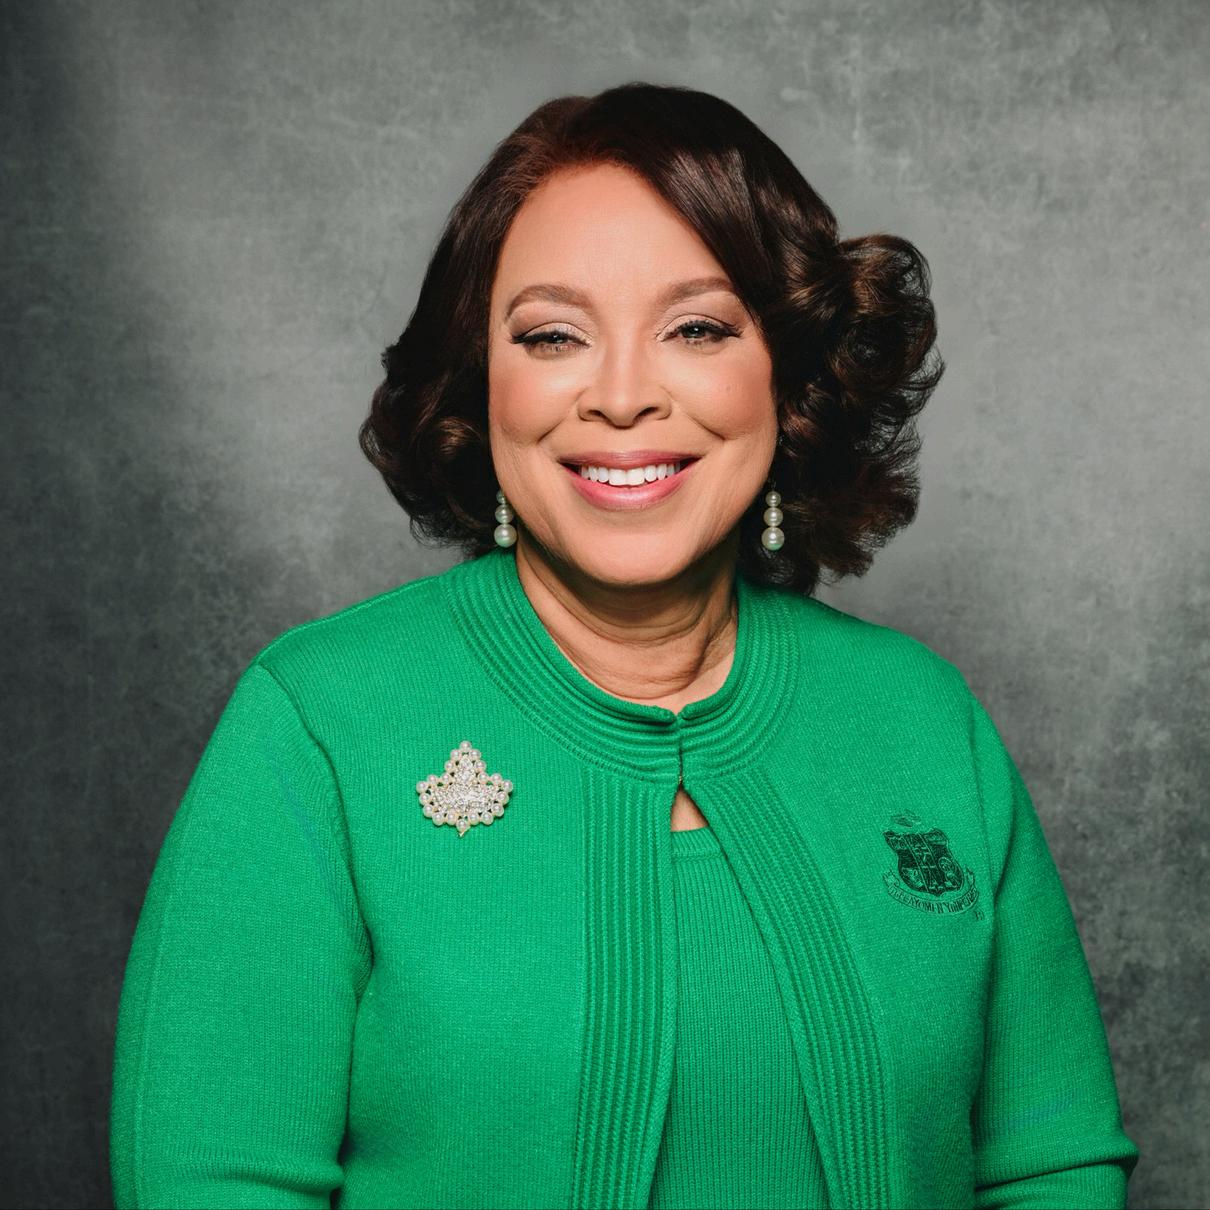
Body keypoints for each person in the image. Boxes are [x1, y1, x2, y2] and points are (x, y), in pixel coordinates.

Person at [109, 82, 1139, 1209]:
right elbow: (212, 1178)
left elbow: (1050, 1164)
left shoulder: (925, 721)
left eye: (696, 328)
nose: (620, 398)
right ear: (481, 384)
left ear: (788, 374)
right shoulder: (319, 726)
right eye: (553, 336)